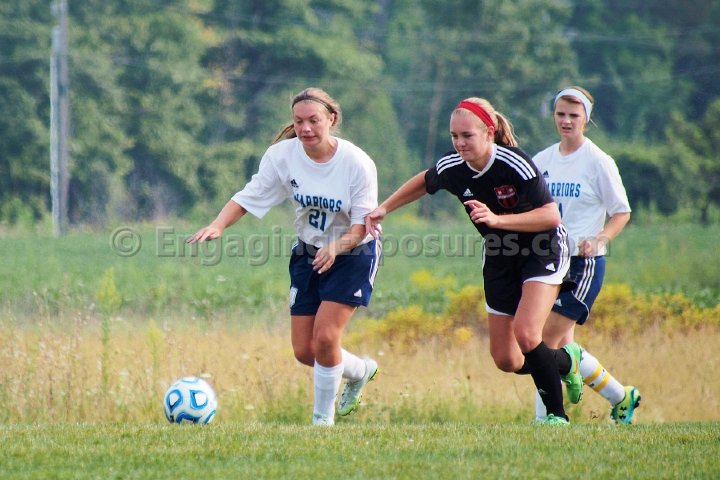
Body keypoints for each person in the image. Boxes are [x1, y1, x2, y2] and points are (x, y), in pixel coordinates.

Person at [365, 97, 584, 425]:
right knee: (506, 359)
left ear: (489, 133)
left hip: (543, 248)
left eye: (467, 135)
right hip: (500, 255)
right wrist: (385, 207)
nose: (459, 143)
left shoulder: (514, 163)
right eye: (454, 136)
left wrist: (497, 220)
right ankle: (566, 362)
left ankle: (556, 417)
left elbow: (551, 216)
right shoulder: (453, 167)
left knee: (527, 334)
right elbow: (425, 181)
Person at [187, 87, 381, 426]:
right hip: (308, 252)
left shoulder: (357, 163)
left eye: (314, 121)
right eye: (299, 121)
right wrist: (218, 225)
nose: (305, 128)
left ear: (331, 119)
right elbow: (248, 196)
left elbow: (362, 226)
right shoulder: (282, 157)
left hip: (354, 252)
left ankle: (321, 422)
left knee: (326, 338)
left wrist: (335, 248)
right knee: (306, 351)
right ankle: (360, 370)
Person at [533, 86, 640, 424]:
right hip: (548, 263)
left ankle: (548, 419)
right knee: (565, 348)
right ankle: (621, 397)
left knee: (542, 341)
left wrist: (600, 238)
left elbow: (621, 211)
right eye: (560, 114)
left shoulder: (598, 162)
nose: (566, 121)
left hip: (583, 265)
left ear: (586, 119)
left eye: (574, 115)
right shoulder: (542, 160)